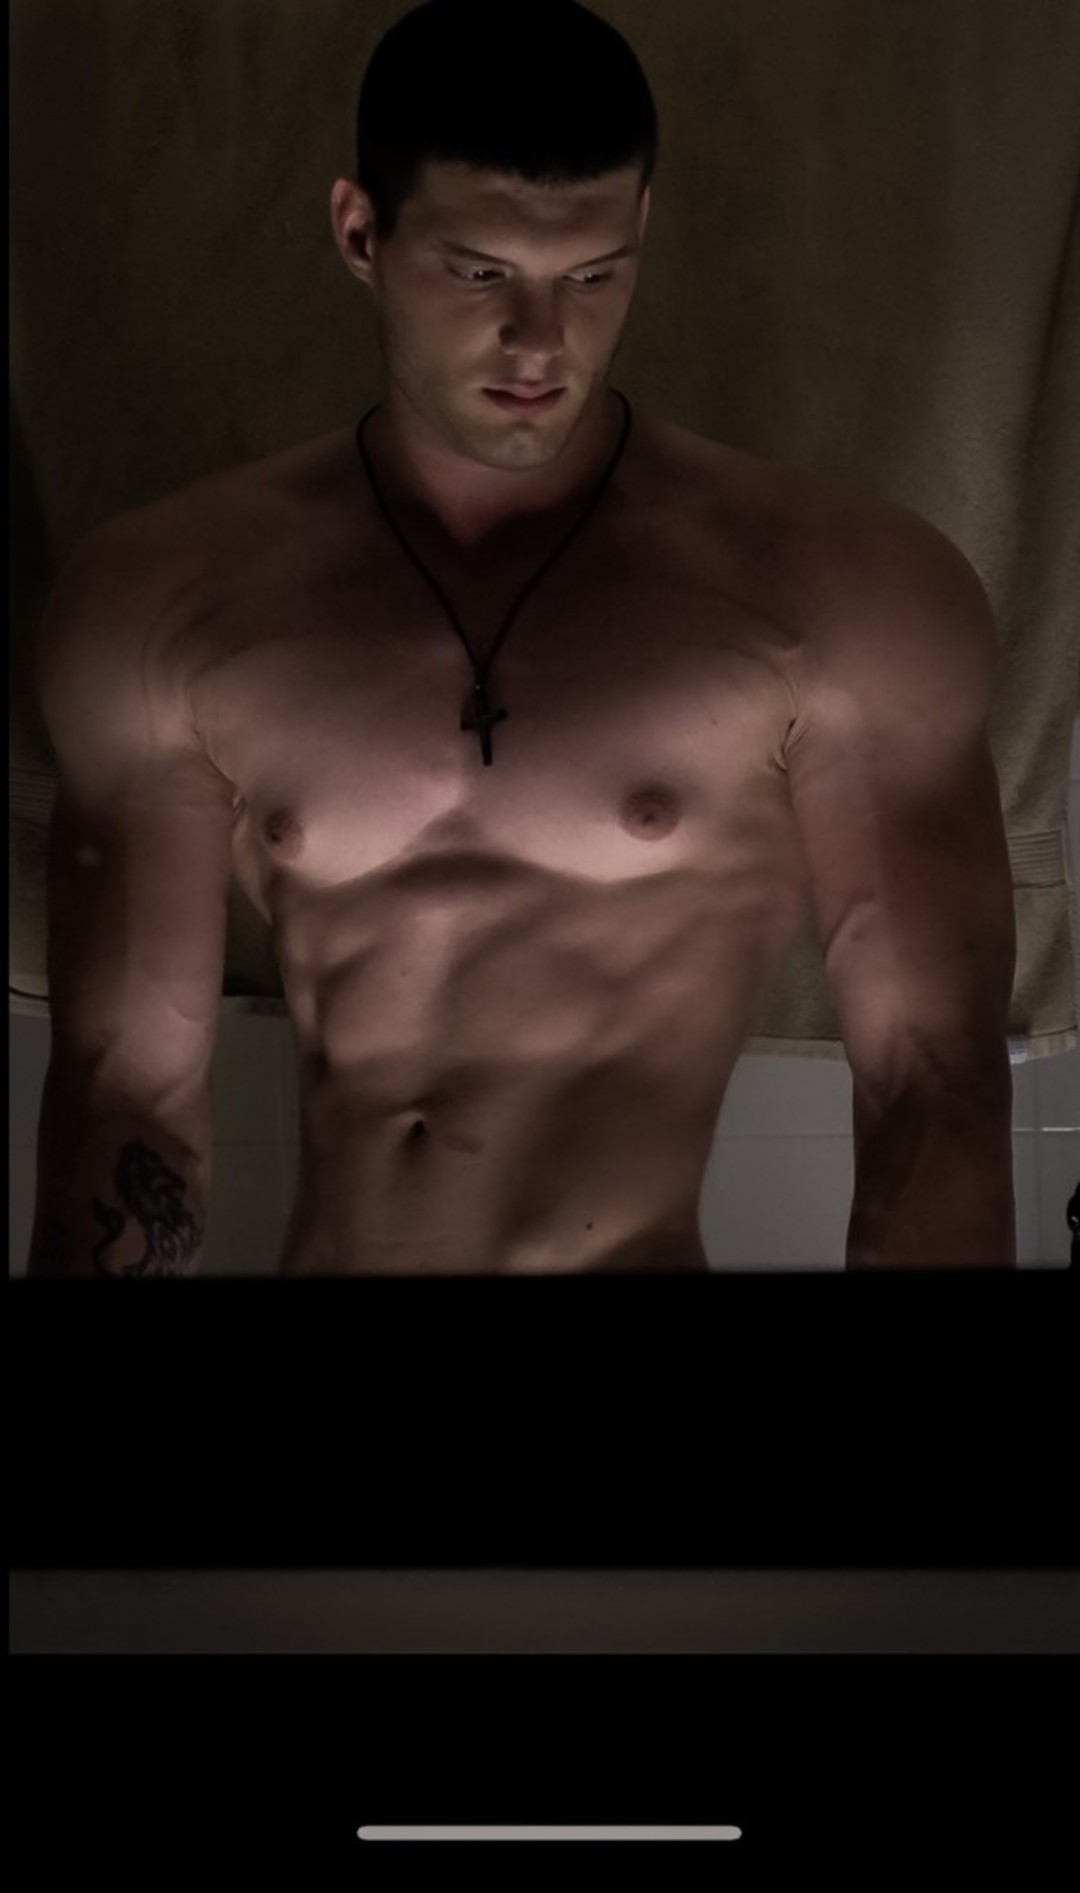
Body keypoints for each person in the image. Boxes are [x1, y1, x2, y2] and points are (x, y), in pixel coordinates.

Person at [28, 0, 1017, 1276]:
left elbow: (932, 1084)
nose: (542, 342)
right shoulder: (168, 600)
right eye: (481, 272)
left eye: (593, 275)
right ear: (360, 232)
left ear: (643, 228)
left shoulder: (839, 595)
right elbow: (127, 1095)